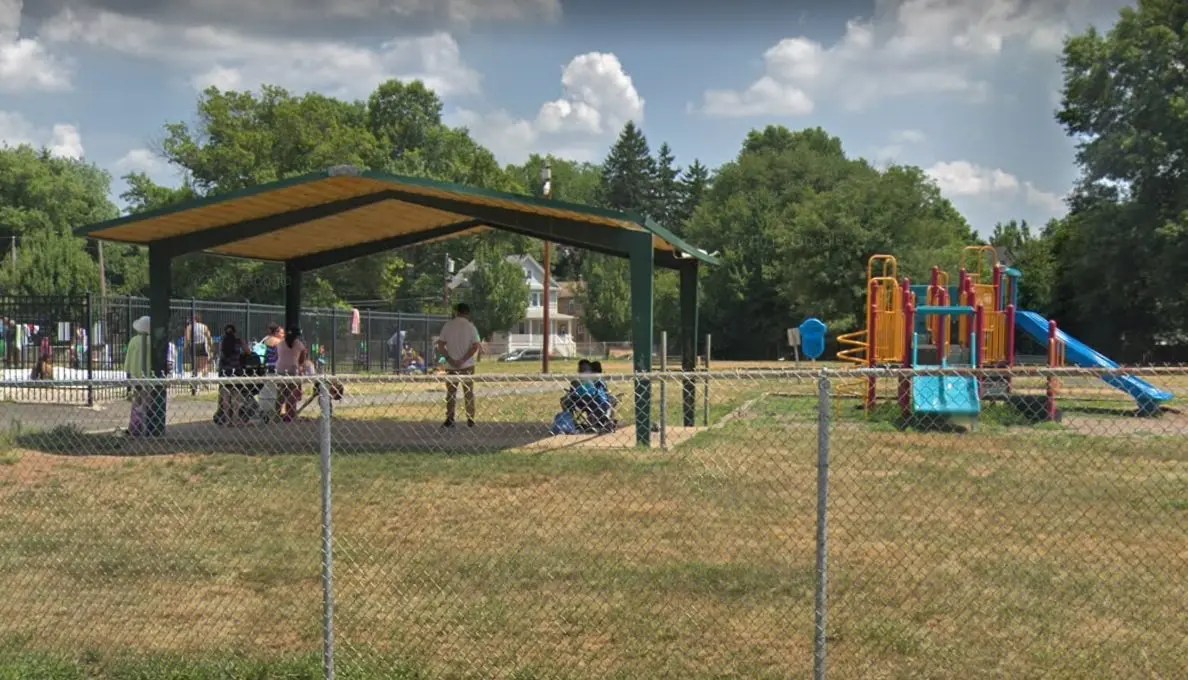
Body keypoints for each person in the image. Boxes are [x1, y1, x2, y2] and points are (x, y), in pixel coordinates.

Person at [435, 303, 481, 428]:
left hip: (451, 365)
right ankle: (470, 418)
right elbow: (475, 345)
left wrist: (449, 358)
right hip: (467, 366)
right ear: (468, 313)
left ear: (457, 312)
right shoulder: (472, 327)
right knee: (469, 392)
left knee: (450, 393)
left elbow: (440, 345)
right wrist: (463, 359)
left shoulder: (448, 325)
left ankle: (450, 417)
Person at [123, 315, 154, 436]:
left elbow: (128, 360)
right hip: (149, 376)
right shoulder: (151, 341)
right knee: (149, 402)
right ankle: (147, 427)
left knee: (137, 402)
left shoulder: (133, 341)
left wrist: (129, 374)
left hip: (135, 375)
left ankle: (135, 426)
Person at [217, 324, 249, 426]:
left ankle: (227, 420)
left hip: (224, 372)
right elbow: (248, 351)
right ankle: (235, 418)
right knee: (236, 396)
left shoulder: (223, 342)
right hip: (236, 371)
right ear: (234, 332)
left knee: (225, 397)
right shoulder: (238, 341)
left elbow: (220, 355)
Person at [275, 325, 308, 422]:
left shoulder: (280, 343)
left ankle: (277, 414)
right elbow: (302, 358)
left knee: (280, 394)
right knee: (291, 394)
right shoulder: (298, 343)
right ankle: (290, 415)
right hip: (292, 370)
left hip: (280, 369)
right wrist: (299, 364)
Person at [184, 313, 212, 378]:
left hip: (194, 346)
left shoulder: (189, 327)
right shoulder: (204, 326)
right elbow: (209, 337)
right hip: (202, 345)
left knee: (195, 365)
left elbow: (187, 339)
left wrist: (187, 346)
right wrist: (210, 346)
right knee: (204, 365)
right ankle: (205, 381)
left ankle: (194, 383)